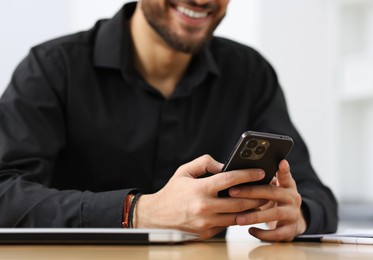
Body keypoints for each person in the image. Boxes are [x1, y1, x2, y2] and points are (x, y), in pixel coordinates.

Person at [0, 0, 338, 241]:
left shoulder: (249, 73)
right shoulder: (51, 70)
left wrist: (298, 216)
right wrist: (136, 213)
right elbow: (5, 193)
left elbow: (316, 196)